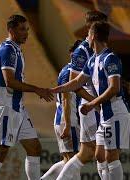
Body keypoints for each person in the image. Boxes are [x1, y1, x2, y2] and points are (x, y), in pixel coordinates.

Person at [51, 21, 130, 180]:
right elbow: (76, 82)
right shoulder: (93, 60)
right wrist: (54, 90)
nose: (87, 37)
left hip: (116, 111)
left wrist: (92, 104)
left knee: (111, 156)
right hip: (105, 114)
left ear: (93, 36)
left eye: (88, 34)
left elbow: (114, 88)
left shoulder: (110, 58)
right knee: (99, 154)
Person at [0, 14, 53, 180]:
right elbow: (10, 82)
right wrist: (37, 89)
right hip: (6, 107)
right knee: (0, 152)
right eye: (22, 29)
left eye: (27, 29)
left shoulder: (15, 49)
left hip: (17, 108)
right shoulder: (8, 49)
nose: (26, 33)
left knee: (34, 147)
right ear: (11, 30)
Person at [54, 11, 110, 180]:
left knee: (97, 152)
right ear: (90, 27)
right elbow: (75, 85)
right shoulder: (82, 51)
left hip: (95, 106)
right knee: (92, 152)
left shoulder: (100, 49)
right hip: (90, 107)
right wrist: (96, 103)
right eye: (99, 24)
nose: (104, 28)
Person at [40, 40, 82, 180]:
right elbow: (66, 98)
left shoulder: (66, 70)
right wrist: (68, 124)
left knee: (66, 160)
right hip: (68, 120)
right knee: (74, 161)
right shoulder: (71, 72)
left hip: (62, 120)